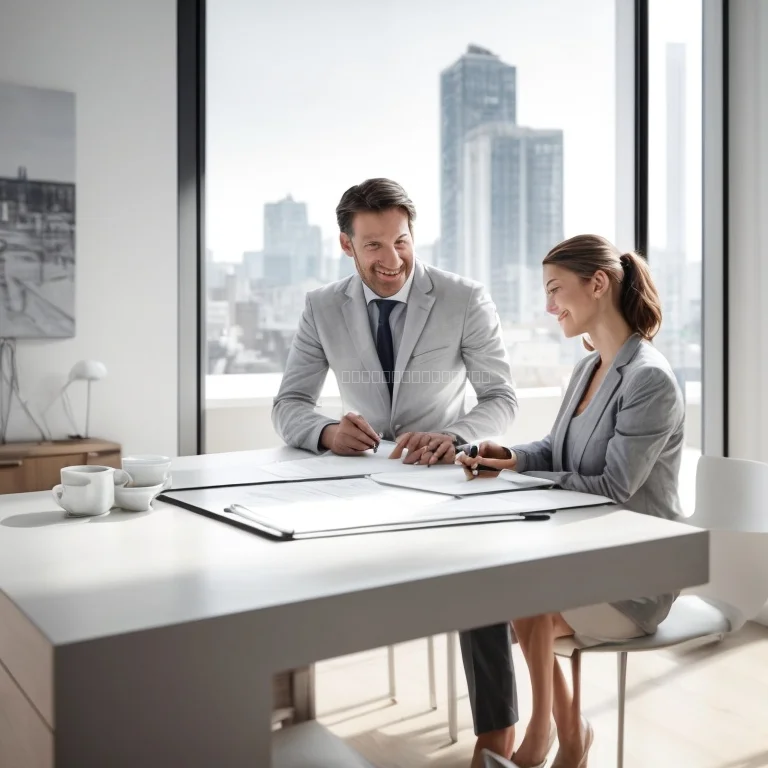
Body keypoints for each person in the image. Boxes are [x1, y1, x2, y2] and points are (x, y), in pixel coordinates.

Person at [272, 178, 520, 766]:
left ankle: (496, 735)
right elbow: (288, 405)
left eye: (401, 242)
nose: (392, 260)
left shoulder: (463, 297)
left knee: (479, 575)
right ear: (346, 245)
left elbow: (502, 398)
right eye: (374, 246)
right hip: (357, 486)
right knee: (279, 561)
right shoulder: (321, 306)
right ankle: (283, 718)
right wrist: (328, 432)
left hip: (447, 482)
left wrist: (454, 434)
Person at [457, 234, 685, 768]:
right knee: (505, 590)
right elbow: (556, 449)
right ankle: (572, 732)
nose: (548, 305)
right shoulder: (589, 368)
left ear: (597, 284)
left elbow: (613, 487)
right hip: (586, 555)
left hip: (634, 574)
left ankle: (544, 736)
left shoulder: (649, 379)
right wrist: (507, 455)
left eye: (555, 289)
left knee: (525, 593)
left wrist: (532, 483)